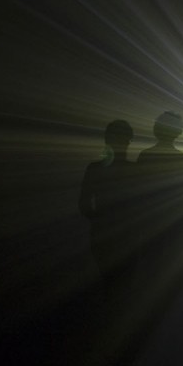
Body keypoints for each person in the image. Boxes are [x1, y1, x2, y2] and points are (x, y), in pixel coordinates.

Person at [78, 120, 141, 290]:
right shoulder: (135, 170)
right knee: (125, 286)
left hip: (103, 234)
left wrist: (99, 220)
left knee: (109, 284)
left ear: (107, 140)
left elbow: (84, 204)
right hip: (128, 235)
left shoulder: (94, 169)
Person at [136, 111, 183, 261]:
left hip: (150, 220)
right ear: (177, 132)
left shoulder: (145, 156)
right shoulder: (181, 158)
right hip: (174, 220)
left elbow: (137, 191)